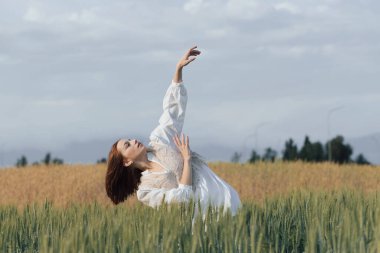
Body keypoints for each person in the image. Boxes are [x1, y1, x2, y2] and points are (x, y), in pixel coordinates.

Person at [105, 46, 241, 216]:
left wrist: (178, 70)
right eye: (127, 145)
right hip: (200, 216)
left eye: (130, 139)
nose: (133, 141)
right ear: (126, 162)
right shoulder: (145, 190)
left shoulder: (159, 140)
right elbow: (181, 199)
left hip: (218, 194)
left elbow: (172, 112)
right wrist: (186, 159)